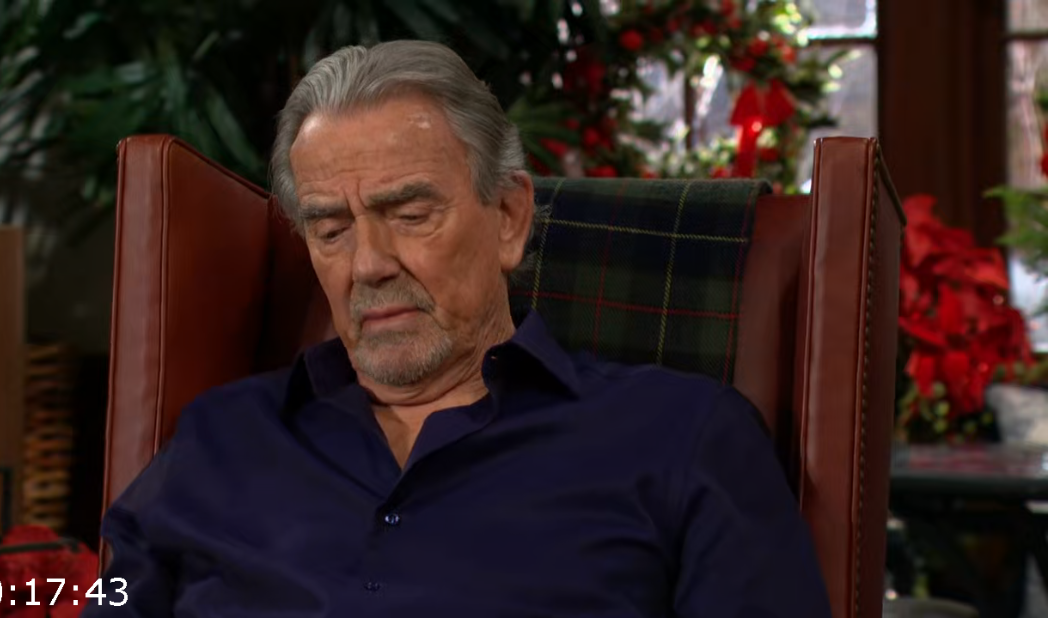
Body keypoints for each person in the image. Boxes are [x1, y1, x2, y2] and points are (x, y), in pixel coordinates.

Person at [85, 40, 833, 617]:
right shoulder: (219, 438)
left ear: (508, 217)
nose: (368, 265)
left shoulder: (681, 438)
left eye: (411, 215)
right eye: (331, 229)